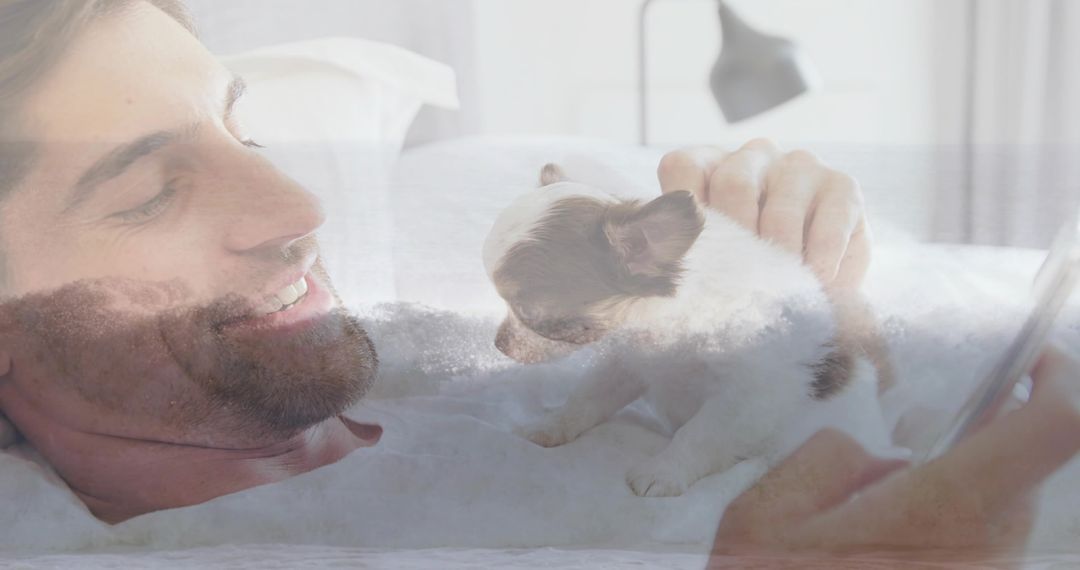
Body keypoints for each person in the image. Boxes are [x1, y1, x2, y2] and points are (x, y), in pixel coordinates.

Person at [0, 0, 1074, 563]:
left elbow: (854, 415)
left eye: (248, 129)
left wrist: (821, 309)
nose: (301, 210)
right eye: (148, 193)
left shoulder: (417, 366)